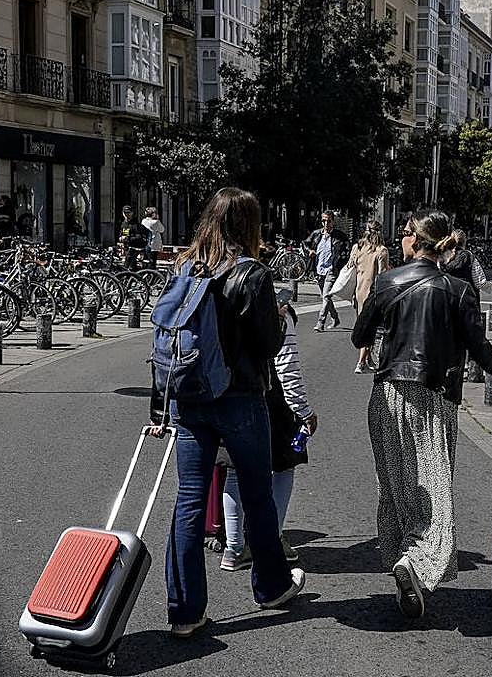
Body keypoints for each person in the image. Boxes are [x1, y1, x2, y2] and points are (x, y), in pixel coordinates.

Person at [351, 209, 492, 619]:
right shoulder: (459, 290)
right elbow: (481, 351)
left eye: (403, 233)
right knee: (434, 486)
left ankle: (405, 560)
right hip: (434, 397)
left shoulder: (387, 281)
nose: (399, 239)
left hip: (388, 393)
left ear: (414, 239)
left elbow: (361, 336)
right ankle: (414, 562)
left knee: (397, 484)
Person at [149, 187, 305, 638]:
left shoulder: (185, 266)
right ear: (249, 225)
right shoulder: (251, 273)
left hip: (189, 398)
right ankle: (272, 587)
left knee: (190, 500)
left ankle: (184, 610)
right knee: (256, 494)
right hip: (239, 398)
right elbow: (268, 345)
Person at [220, 296, 318, 571]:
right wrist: (304, 410)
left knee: (233, 471)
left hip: (229, 397)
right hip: (272, 401)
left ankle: (234, 547)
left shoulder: (223, 300)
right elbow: (287, 369)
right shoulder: (278, 313)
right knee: (284, 467)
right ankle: (272, 539)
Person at [347, 223, 392, 373]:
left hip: (358, 291)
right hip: (373, 293)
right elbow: (382, 275)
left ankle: (366, 359)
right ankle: (361, 362)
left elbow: (350, 266)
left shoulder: (357, 247)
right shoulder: (381, 251)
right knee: (370, 326)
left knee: (362, 323)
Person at [304, 211, 349, 332]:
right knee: (325, 297)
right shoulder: (316, 234)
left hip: (331, 270)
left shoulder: (340, 236)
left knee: (326, 296)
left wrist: (340, 267)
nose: (326, 223)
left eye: (328, 221)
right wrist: (310, 251)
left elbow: (346, 253)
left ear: (333, 221)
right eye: (323, 220)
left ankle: (320, 322)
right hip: (318, 270)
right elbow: (305, 244)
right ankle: (335, 317)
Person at [118, 206, 150, 270]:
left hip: (135, 246)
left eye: (128, 212)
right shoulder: (123, 223)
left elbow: (139, 236)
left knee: (127, 265)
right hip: (127, 246)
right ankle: (134, 277)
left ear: (132, 213)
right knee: (131, 266)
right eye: (125, 213)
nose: (126, 214)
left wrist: (128, 238)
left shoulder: (135, 224)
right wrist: (121, 238)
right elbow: (121, 233)